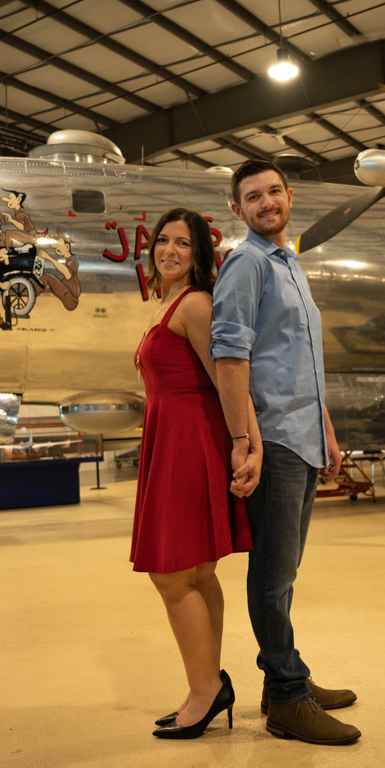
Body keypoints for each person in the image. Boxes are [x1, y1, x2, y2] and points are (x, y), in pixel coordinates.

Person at [210, 160, 360, 745]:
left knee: (285, 571)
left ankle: (282, 681)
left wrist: (326, 431)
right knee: (272, 577)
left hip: (302, 435)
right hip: (272, 439)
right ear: (237, 209)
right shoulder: (246, 263)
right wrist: (242, 442)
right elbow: (230, 356)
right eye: (253, 196)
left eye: (274, 191)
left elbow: (301, 361)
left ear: (289, 197)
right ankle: (288, 700)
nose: (267, 202)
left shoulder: (288, 263)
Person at [131, 207, 261, 740]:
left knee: (171, 573)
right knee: (199, 574)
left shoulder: (195, 304)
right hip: (172, 442)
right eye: (163, 240)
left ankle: (207, 689)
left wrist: (248, 445)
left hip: (191, 446)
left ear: (199, 253)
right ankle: (206, 685)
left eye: (183, 243)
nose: (169, 251)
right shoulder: (168, 303)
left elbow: (230, 377)